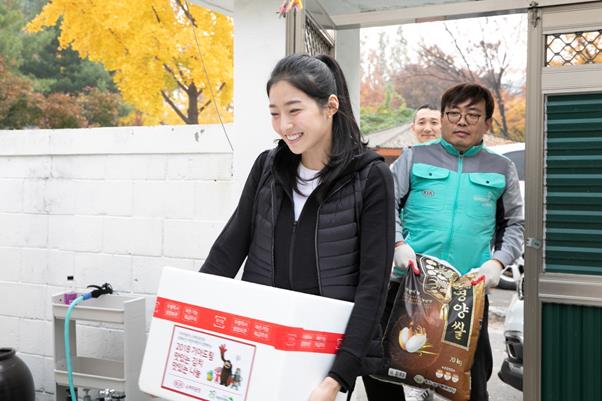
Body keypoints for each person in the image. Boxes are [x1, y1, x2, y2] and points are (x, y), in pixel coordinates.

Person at [200, 53, 400, 401]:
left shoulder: (370, 176)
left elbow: (373, 285)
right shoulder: (267, 167)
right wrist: (189, 322)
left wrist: (337, 376)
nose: (283, 125)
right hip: (263, 337)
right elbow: (227, 251)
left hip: (325, 350)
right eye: (274, 113)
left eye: (294, 110)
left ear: (330, 106)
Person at [389, 83, 524, 401]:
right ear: (443, 117)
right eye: (454, 114)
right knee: (393, 374)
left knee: (468, 386)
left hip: (466, 293)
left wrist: (496, 263)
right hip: (409, 288)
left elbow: (515, 224)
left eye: (473, 114)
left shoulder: (502, 168)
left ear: (487, 123)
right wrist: (397, 245)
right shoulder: (414, 157)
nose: (462, 121)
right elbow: (384, 207)